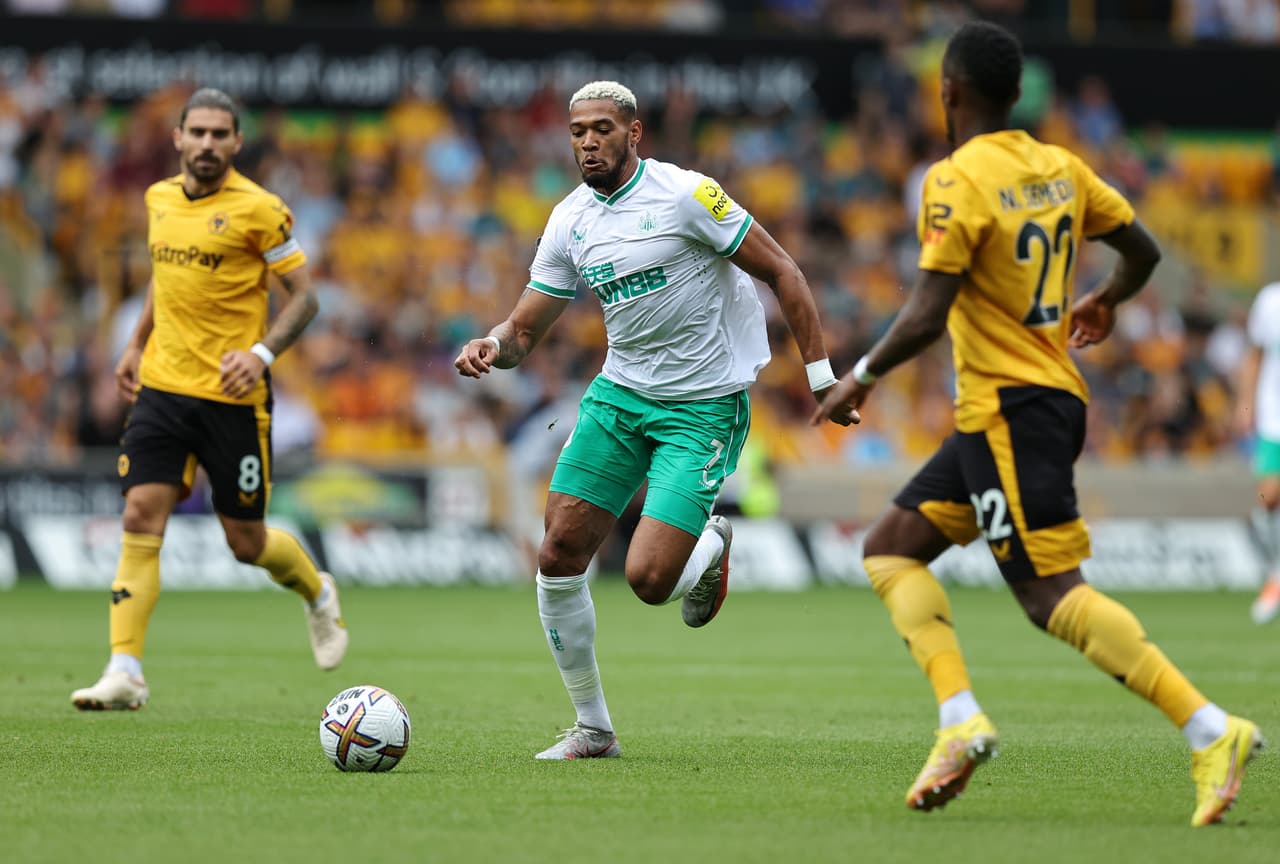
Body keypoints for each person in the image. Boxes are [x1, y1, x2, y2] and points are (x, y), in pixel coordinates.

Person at [812, 22, 1263, 827]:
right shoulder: (1060, 167)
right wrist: (1106, 298)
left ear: (947, 91)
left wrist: (862, 377)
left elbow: (927, 310)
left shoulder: (954, 179)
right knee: (889, 549)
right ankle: (960, 720)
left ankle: (1210, 729)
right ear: (1017, 95)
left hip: (1013, 409)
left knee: (1049, 595)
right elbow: (1145, 250)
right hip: (1020, 406)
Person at [455, 80, 854, 760]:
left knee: (646, 582)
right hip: (619, 396)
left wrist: (822, 377)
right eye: (577, 129)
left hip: (701, 407)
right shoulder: (571, 220)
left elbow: (784, 271)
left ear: (633, 133)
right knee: (557, 553)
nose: (587, 140)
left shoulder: (687, 196)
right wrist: (495, 344)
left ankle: (710, 549)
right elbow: (526, 331)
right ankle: (594, 728)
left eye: (602, 128)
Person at [71, 88, 348, 711]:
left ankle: (316, 591)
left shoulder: (260, 209)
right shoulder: (158, 199)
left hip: (233, 397)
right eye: (196, 132)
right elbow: (163, 279)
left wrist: (261, 355)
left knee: (244, 543)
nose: (206, 144)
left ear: (236, 142)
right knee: (141, 516)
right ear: (177, 137)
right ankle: (124, 671)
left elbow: (304, 298)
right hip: (163, 388)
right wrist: (134, 344)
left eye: (220, 134)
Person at [1239, 282, 1280, 623]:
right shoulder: (1269, 299)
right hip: (1273, 418)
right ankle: (1276, 574)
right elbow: (1255, 355)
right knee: (1268, 497)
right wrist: (1245, 403)